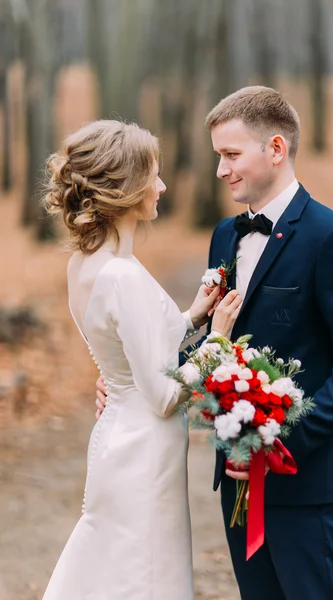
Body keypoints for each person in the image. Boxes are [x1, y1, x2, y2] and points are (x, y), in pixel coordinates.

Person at [96, 87, 333, 600]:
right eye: (218, 156)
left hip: (306, 483)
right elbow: (216, 341)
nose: (220, 170)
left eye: (231, 155)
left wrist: (285, 437)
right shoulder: (225, 236)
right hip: (236, 478)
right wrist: (133, 378)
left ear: (275, 148)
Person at [42, 119, 242, 600]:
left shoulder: (87, 264)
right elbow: (165, 396)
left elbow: (133, 343)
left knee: (115, 568)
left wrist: (193, 315)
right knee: (145, 576)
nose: (162, 186)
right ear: (127, 187)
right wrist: (216, 338)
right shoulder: (121, 276)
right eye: (154, 175)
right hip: (145, 451)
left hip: (116, 436)